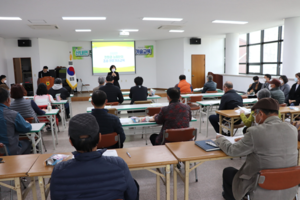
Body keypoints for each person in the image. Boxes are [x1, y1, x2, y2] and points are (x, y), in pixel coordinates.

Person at [216, 98, 298, 200]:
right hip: (289, 186)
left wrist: (221, 139)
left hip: (260, 186)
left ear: (261, 114)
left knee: (228, 171)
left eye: (255, 114)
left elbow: (232, 151)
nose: (254, 117)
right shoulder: (293, 129)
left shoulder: (255, 131)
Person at [50, 113, 139, 200]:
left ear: (71, 142)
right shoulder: (119, 165)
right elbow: (132, 196)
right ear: (100, 137)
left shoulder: (59, 171)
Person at [0, 88, 32, 155]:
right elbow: (26, 128)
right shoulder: (13, 114)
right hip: (9, 151)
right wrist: (27, 123)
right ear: (8, 99)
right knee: (27, 142)